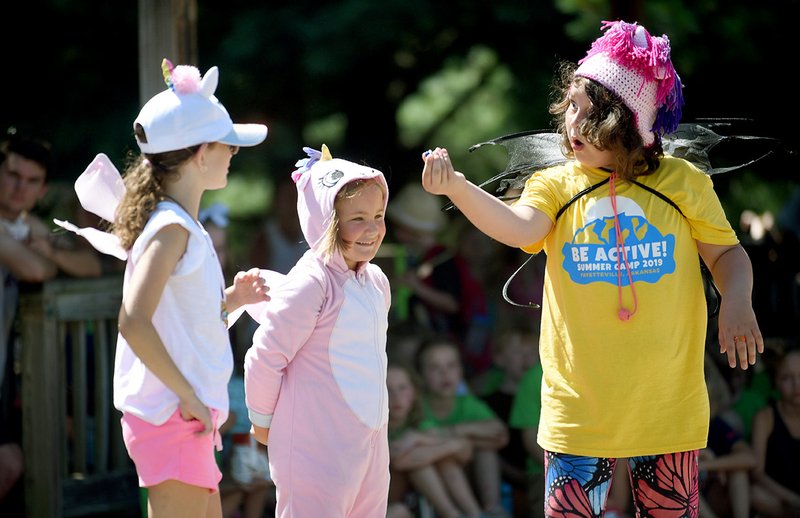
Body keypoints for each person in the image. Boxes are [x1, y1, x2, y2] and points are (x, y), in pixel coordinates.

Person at [420, 20, 763, 516]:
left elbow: (727, 255)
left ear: (624, 124)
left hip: (667, 405)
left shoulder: (682, 182)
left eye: (585, 113)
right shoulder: (555, 183)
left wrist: (737, 297)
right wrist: (457, 187)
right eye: (570, 109)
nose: (570, 124)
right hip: (578, 409)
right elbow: (519, 229)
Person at [61, 58, 270, 518]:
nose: (233, 153)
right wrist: (191, 397)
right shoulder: (171, 228)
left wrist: (232, 300)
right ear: (200, 153)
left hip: (178, 418)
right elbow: (133, 321)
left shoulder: (178, 225)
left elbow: (176, 319)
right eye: (226, 144)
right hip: (173, 418)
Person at [243, 145, 392, 517]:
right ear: (325, 220)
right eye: (357, 218)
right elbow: (265, 355)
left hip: (369, 443)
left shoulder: (376, 281)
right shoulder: (313, 282)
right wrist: (262, 421)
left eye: (378, 215)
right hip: (315, 447)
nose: (372, 229)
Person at [0, 132, 103, 513]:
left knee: (13, 460)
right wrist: (47, 258)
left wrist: (48, 253)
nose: (18, 188)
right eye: (12, 175)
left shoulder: (26, 226)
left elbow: (90, 266)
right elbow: (33, 269)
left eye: (30, 181)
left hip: (6, 374)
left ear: (42, 190)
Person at [414, 336, 510, 517]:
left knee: (486, 451)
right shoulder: (416, 405)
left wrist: (456, 432)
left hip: (467, 471)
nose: (445, 374)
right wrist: (470, 437)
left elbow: (500, 434)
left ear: (461, 371)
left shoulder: (466, 403)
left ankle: (493, 508)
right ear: (420, 375)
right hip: (433, 479)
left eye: (451, 366)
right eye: (435, 368)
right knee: (447, 459)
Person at [387, 361, 484, 518]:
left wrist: (418, 439)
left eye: (402, 388)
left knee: (446, 463)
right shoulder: (375, 429)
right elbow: (398, 460)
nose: (396, 397)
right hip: (392, 498)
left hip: (416, 493)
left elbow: (465, 451)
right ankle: (454, 514)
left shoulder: (421, 422)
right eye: (387, 389)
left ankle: (473, 514)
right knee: (421, 464)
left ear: (414, 392)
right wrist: (450, 444)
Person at [750, 341, 800, 517]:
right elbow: (757, 472)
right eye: (787, 377)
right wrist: (792, 499)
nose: (796, 384)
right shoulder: (766, 417)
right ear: (776, 381)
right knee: (754, 494)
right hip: (779, 500)